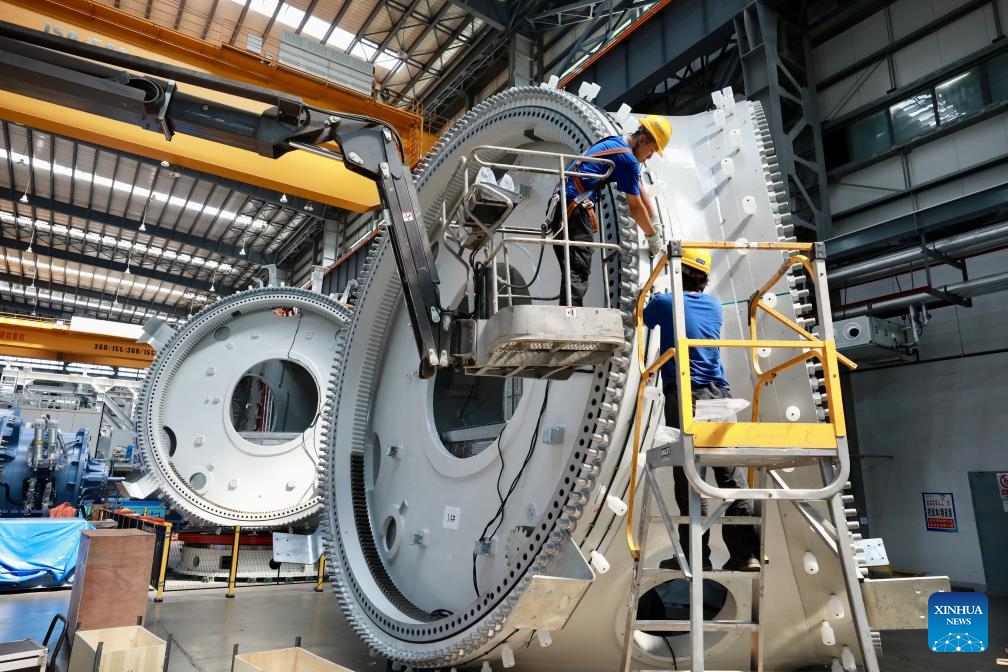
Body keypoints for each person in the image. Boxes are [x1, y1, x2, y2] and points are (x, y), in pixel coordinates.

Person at [642, 247, 760, 572]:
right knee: (730, 475)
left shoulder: (666, 303)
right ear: (705, 278)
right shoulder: (715, 305)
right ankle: (746, 554)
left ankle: (696, 557)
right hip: (719, 393)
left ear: (678, 273)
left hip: (685, 394)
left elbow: (643, 315)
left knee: (690, 476)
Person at [549, 115, 673, 306]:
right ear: (643, 140)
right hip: (575, 209)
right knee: (578, 268)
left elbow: (639, 186)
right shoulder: (628, 159)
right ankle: (571, 319)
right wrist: (652, 237)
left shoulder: (617, 143)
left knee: (573, 269)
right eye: (652, 150)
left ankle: (569, 315)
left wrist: (655, 220)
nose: (650, 156)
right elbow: (635, 206)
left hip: (561, 205)